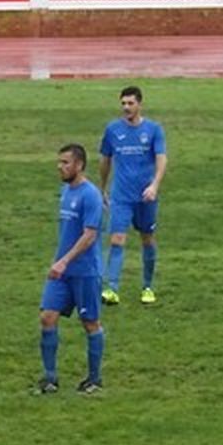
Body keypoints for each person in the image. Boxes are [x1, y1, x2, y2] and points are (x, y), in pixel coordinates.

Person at [38, 143, 107, 395]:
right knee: (47, 317)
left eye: (65, 162)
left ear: (79, 165)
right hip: (62, 271)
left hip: (84, 271)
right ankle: (50, 378)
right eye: (59, 162)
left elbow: (89, 235)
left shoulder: (90, 195)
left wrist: (64, 261)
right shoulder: (66, 190)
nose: (60, 167)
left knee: (90, 322)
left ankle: (94, 379)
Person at [98, 85, 167, 306]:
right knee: (117, 239)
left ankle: (147, 286)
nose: (126, 107)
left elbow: (161, 159)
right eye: (123, 104)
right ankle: (112, 289)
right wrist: (103, 188)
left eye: (130, 103)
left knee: (147, 238)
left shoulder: (154, 130)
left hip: (146, 196)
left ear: (139, 104)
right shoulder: (112, 130)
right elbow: (105, 159)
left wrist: (154, 185)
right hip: (121, 196)